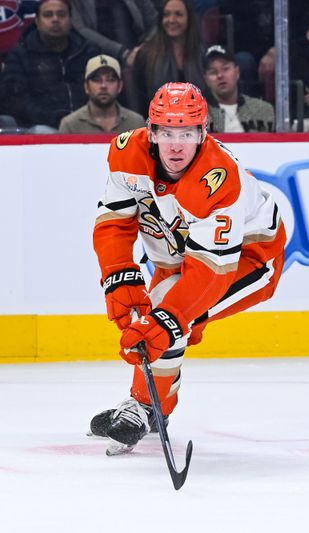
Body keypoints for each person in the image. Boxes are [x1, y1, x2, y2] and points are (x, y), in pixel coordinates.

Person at [88, 82, 286, 454]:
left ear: (203, 132)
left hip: (250, 258)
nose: (176, 144)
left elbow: (211, 270)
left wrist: (171, 316)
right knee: (158, 312)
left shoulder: (219, 178)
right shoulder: (127, 153)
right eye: (166, 132)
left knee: (168, 314)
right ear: (151, 131)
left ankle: (148, 407)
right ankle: (148, 402)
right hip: (176, 255)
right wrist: (118, 276)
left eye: (186, 133)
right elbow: (115, 222)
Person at [0, 0, 100, 130]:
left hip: (86, 123)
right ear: (37, 21)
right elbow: (16, 101)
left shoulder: (88, 51)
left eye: (61, 15)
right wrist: (54, 118)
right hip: (40, 126)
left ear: (70, 20)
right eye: (48, 15)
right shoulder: (21, 53)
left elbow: (101, 91)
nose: (55, 19)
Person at [131, 0, 207, 114]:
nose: (171, 20)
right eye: (166, 14)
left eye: (178, 14)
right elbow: (140, 99)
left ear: (189, 19)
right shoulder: (145, 55)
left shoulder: (203, 53)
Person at [59, 54, 146, 133]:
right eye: (96, 80)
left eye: (111, 80)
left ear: (120, 86)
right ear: (86, 87)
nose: (103, 86)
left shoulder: (136, 123)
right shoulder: (70, 125)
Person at [203, 45, 275, 133]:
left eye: (225, 69)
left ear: (237, 72)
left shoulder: (263, 110)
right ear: (206, 80)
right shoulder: (195, 116)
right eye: (213, 72)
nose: (220, 75)